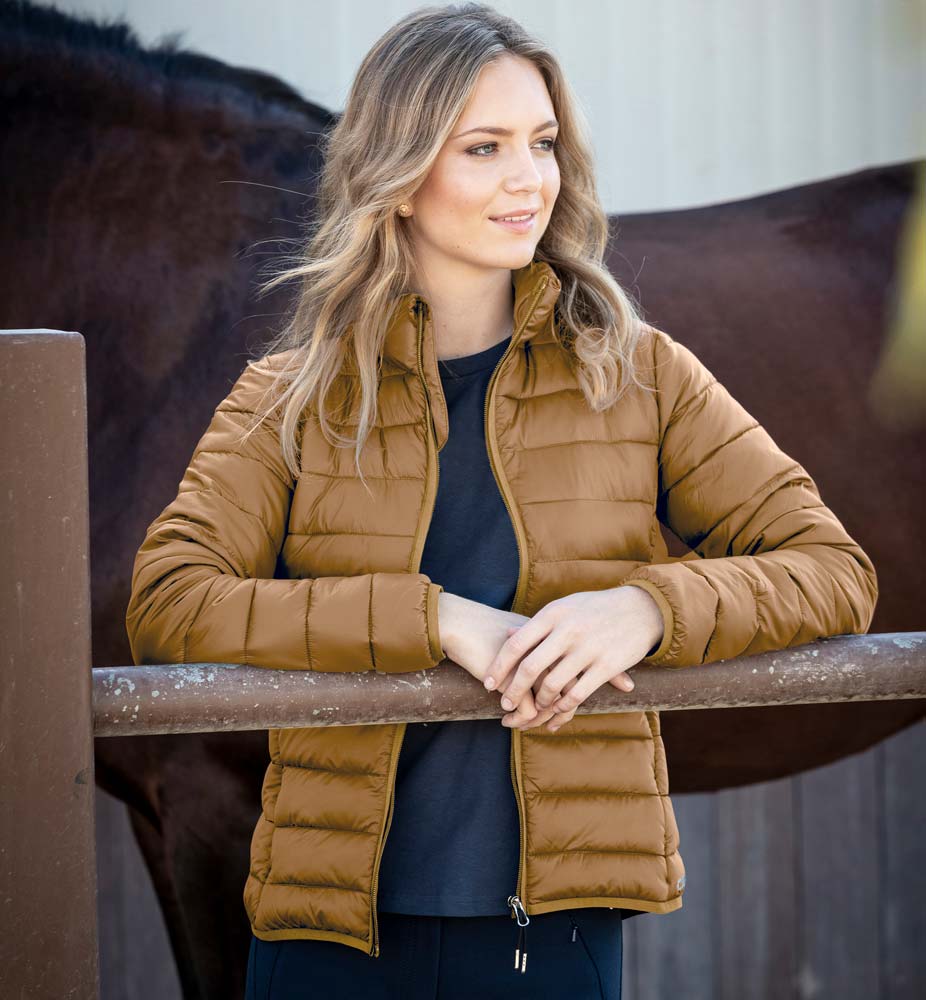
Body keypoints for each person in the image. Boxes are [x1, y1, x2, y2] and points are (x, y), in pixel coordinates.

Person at [124, 4, 879, 998]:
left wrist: (646, 608)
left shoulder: (639, 374)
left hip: (553, 929)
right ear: (398, 177)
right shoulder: (288, 396)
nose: (530, 179)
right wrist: (434, 619)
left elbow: (833, 571)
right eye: (484, 148)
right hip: (327, 926)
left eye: (542, 143)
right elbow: (169, 599)